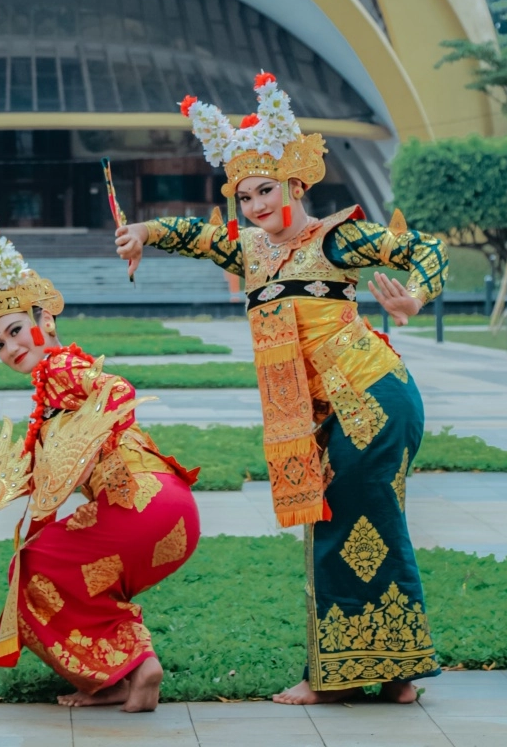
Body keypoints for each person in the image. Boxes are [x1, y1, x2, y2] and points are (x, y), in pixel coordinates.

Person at [115, 72, 447, 705]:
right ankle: (393, 674)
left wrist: (416, 296)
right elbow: (195, 233)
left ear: (296, 184)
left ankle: (335, 680)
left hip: (372, 398)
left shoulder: (335, 237)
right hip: (332, 411)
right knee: (359, 526)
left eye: (266, 190)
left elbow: (421, 248)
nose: (255, 206)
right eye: (244, 197)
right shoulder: (254, 251)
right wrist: (144, 234)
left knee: (345, 526)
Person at [0, 223, 200, 712]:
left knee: (33, 568)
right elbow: (36, 478)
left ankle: (121, 671)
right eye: (0, 344)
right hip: (172, 511)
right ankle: (133, 670)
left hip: (136, 501)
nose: (11, 348)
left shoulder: (59, 369)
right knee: (79, 575)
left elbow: (116, 390)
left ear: (45, 321)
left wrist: (94, 421)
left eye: (15, 330)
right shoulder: (48, 405)